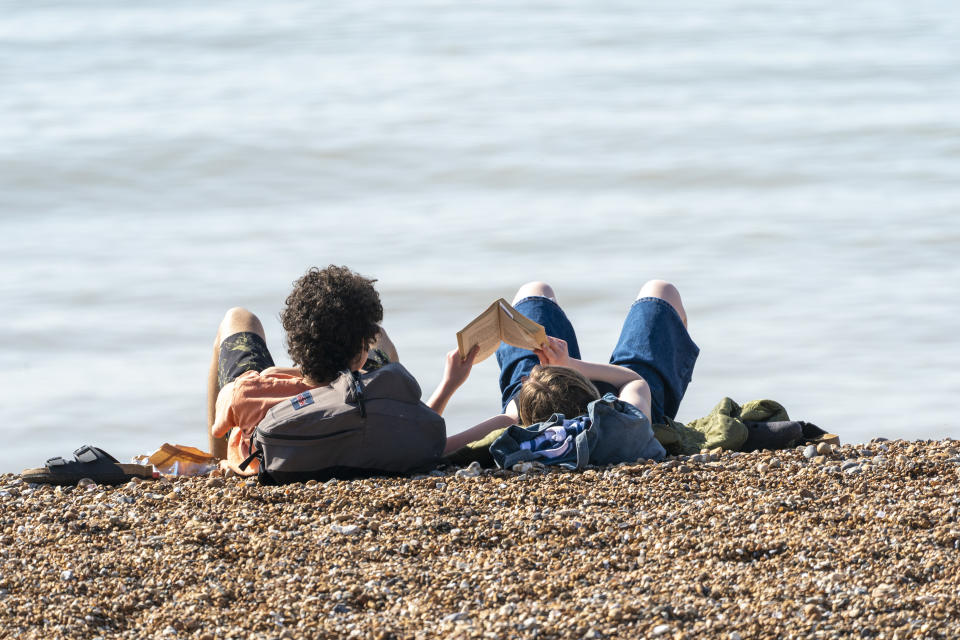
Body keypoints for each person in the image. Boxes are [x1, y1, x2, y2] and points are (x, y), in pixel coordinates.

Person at [440, 280, 699, 453]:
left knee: (535, 290)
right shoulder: (626, 422)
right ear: (588, 387)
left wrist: (449, 385)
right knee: (662, 291)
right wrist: (571, 364)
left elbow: (433, 449)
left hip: (542, 400)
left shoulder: (515, 423)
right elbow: (633, 380)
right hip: (607, 399)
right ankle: (664, 417)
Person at [205, 265, 404, 466]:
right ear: (362, 352)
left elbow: (218, 428)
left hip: (263, 459)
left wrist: (274, 374)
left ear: (296, 341)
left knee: (237, 317)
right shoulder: (379, 392)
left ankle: (218, 464)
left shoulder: (250, 392)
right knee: (379, 336)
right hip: (356, 415)